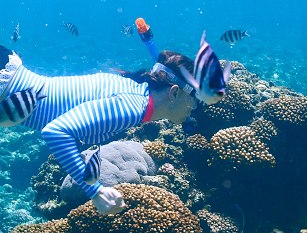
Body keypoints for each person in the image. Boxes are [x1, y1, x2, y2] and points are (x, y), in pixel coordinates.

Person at [0, 45, 197, 215]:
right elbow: (55, 132)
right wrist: (95, 191)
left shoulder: (135, 93)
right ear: (174, 93)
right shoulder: (133, 107)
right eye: (195, 100)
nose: (194, 109)